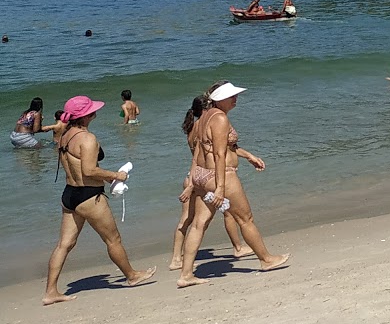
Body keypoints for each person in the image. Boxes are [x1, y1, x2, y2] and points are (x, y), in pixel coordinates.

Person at [43, 96, 156, 304]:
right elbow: (89, 170)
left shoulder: (64, 135)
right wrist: (116, 175)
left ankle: (50, 292)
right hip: (88, 196)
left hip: (69, 194)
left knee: (64, 244)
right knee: (113, 240)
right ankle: (131, 276)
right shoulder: (88, 139)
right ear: (87, 115)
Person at [177, 82, 288, 287]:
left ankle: (185, 275)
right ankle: (266, 259)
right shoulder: (219, 118)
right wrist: (220, 187)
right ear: (219, 99)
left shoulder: (204, 117)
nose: (235, 99)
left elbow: (200, 152)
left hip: (202, 175)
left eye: (236, 95)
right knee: (246, 218)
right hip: (221, 176)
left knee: (199, 224)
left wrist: (194, 180)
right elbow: (219, 155)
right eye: (232, 96)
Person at [171, 96, 246, 268]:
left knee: (188, 219)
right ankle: (238, 247)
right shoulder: (205, 125)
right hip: (205, 176)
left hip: (193, 176)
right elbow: (218, 152)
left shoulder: (192, 128)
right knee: (226, 214)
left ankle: (176, 258)